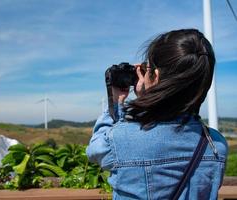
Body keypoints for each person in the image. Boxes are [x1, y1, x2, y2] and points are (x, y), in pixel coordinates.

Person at [86, 29, 228, 199]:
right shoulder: (216, 145)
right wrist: (153, 95)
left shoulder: (120, 140)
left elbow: (95, 150)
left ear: (155, 77)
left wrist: (116, 103)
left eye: (147, 69)